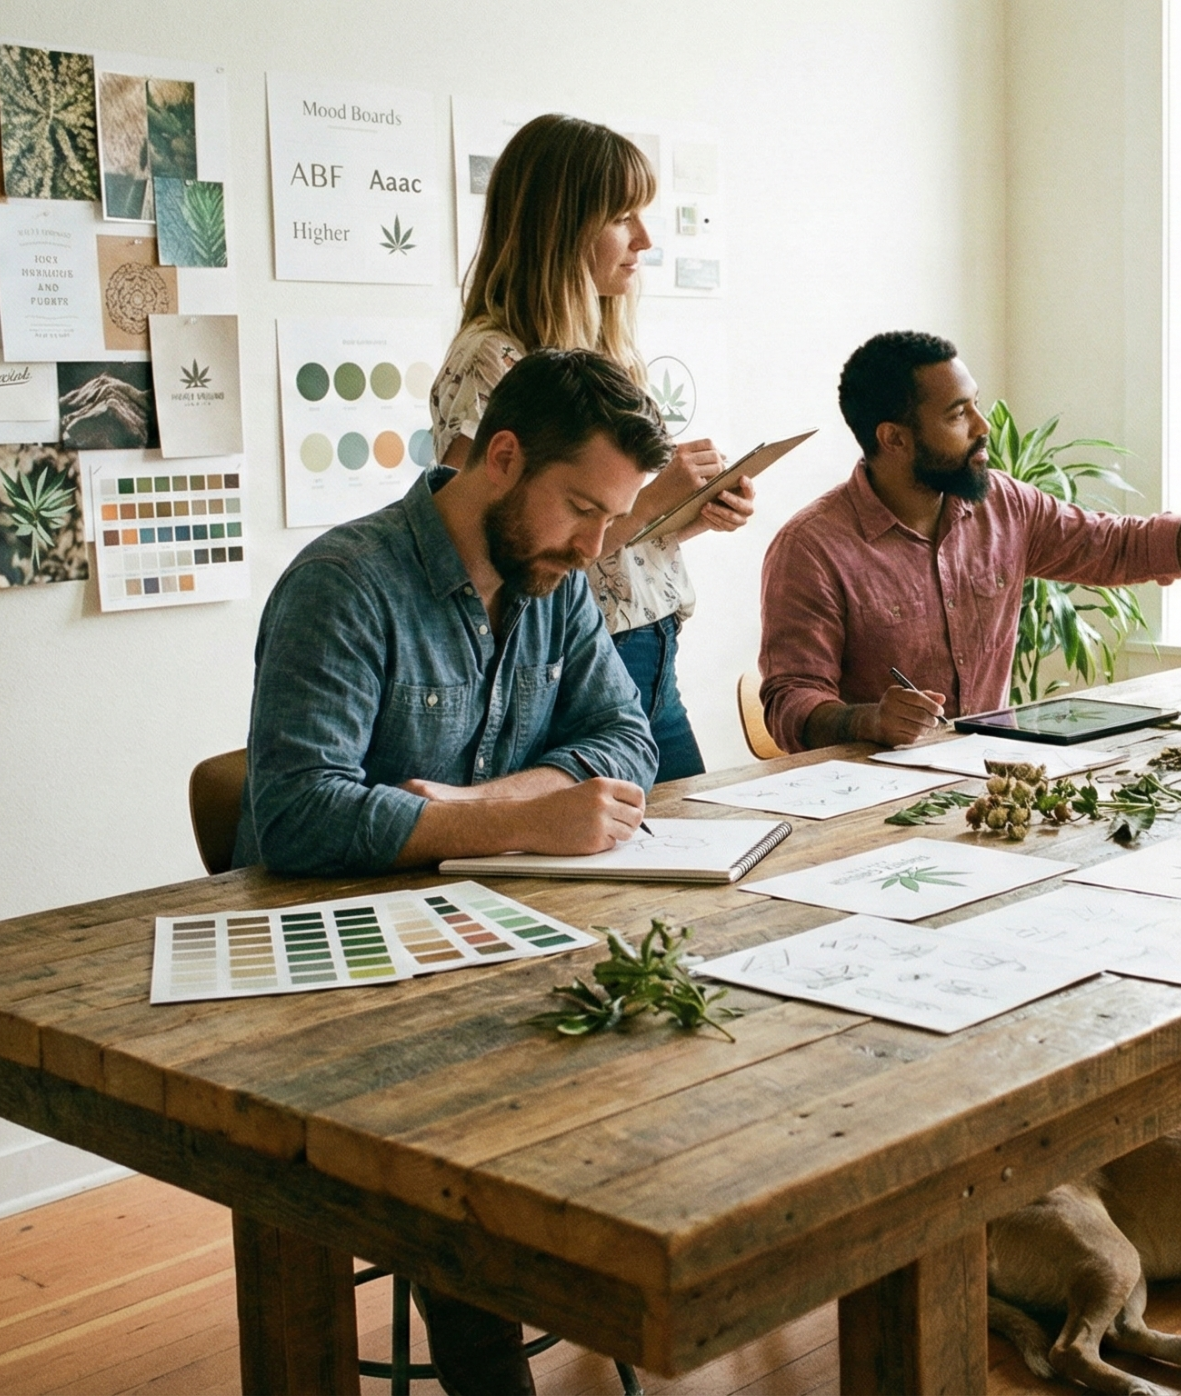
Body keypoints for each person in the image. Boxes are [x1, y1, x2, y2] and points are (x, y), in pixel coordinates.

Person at [239, 349, 670, 1396]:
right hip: (345, 987)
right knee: (459, 1182)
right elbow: (294, 814)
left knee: (665, 1092)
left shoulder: (552, 584)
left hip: (502, 945)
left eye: (612, 517)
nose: (596, 544)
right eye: (581, 507)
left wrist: (494, 805)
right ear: (501, 457)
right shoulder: (345, 584)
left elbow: (627, 737)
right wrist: (518, 824)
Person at [759, 330, 1181, 752]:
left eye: (977, 406)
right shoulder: (812, 549)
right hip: (865, 801)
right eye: (957, 414)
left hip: (981, 779)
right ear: (893, 438)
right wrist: (868, 719)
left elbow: (1124, 548)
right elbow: (788, 706)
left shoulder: (1005, 504)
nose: (984, 427)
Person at [432, 113, 755, 785]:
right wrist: (653, 503)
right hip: (578, 662)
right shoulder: (494, 360)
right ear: (561, 227)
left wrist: (684, 515)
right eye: (622, 217)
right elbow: (493, 553)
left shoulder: (610, 355)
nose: (644, 239)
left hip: (652, 647)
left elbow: (609, 533)